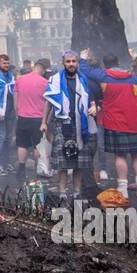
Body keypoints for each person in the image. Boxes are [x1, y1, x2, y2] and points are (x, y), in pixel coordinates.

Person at [79, 51, 137, 199]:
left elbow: (85, 70)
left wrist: (82, 58)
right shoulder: (133, 78)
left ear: (105, 65)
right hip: (135, 121)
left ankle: (122, 189)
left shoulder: (103, 75)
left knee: (120, 155)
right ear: (118, 63)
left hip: (114, 122)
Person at [42, 51, 98, 199]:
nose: (71, 64)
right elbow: (48, 102)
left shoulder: (84, 79)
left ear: (77, 62)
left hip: (81, 125)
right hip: (62, 124)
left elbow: (91, 101)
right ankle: (62, 193)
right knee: (63, 165)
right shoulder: (55, 80)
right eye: (68, 61)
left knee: (79, 163)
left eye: (74, 61)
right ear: (63, 62)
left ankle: (76, 192)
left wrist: (94, 108)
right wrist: (44, 122)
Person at [14, 59, 48, 177]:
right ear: (43, 70)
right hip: (38, 119)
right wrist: (46, 121)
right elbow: (48, 103)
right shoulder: (45, 82)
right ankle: (38, 170)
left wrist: (17, 113)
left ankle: (21, 170)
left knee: (22, 144)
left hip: (22, 117)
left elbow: (15, 99)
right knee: (37, 146)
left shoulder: (20, 80)